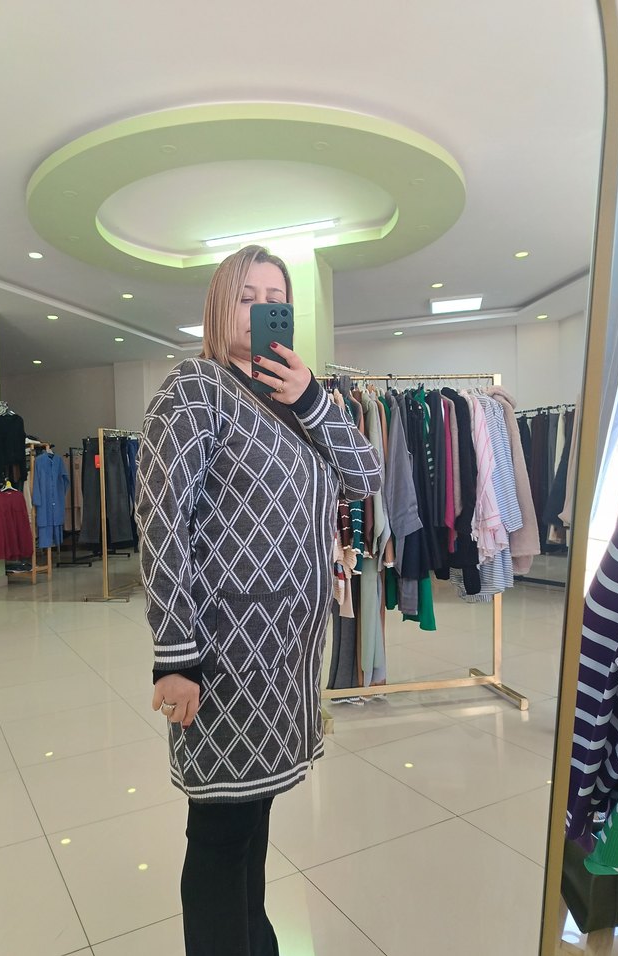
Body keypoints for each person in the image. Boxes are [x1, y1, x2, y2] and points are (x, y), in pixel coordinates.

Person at [135, 244, 382, 955]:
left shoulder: (300, 400)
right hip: (224, 656)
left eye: (276, 298)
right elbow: (161, 524)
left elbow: (364, 476)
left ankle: (254, 939)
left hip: (285, 660)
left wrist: (311, 399)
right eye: (248, 296)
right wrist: (175, 658)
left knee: (253, 821)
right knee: (220, 831)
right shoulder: (194, 389)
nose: (262, 308)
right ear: (220, 304)